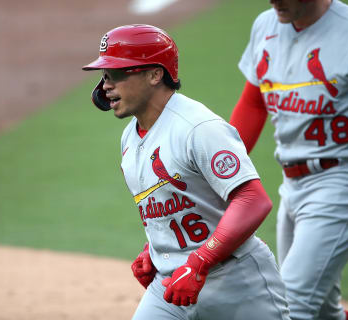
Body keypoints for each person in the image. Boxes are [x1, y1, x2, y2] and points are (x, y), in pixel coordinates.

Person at [82, 24, 291, 320]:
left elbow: (253, 200)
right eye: (104, 76)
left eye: (116, 74)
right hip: (169, 285)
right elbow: (174, 201)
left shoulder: (198, 128)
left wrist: (199, 262)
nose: (105, 86)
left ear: (155, 74)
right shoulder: (130, 137)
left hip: (236, 282)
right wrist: (155, 249)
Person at [230, 0, 348, 319]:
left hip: (345, 182)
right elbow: (255, 102)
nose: (273, 1)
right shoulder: (266, 25)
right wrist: (222, 170)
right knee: (323, 312)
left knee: (291, 305)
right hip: (293, 185)